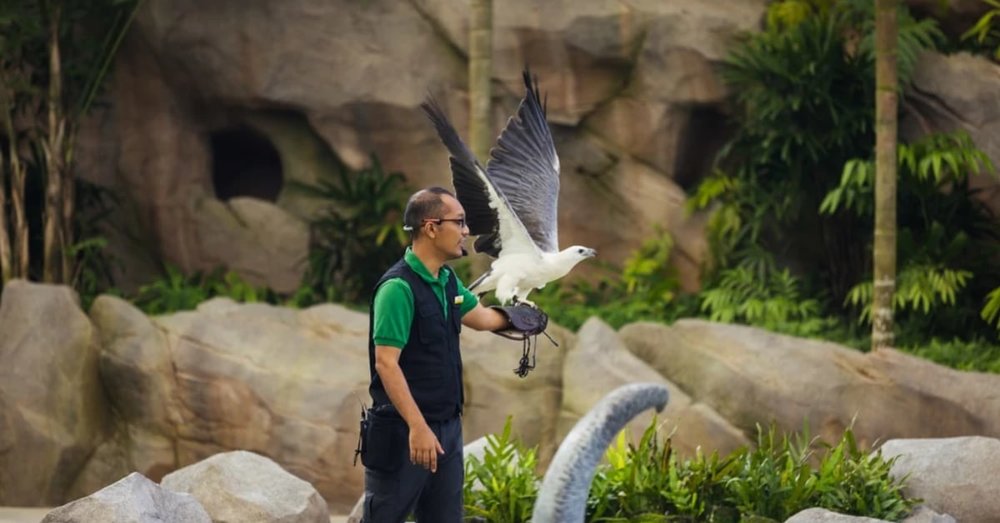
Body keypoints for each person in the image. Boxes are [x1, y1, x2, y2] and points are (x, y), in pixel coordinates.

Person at [361, 186, 522, 523]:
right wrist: (417, 427)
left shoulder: (447, 280)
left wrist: (523, 318)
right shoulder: (398, 289)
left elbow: (482, 319)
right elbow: (386, 364)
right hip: (404, 434)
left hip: (447, 430)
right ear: (431, 227)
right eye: (459, 222)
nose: (466, 231)